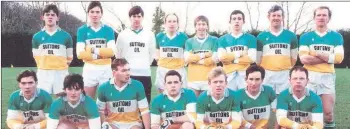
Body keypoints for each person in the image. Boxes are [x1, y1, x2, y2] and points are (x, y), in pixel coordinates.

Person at [298, 6, 344, 129]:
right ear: (314, 18)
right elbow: (304, 59)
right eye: (318, 15)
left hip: (327, 77)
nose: (321, 17)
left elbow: (339, 59)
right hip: (309, 77)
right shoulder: (305, 37)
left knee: (328, 114)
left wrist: (316, 54)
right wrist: (328, 57)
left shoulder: (336, 36)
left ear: (329, 18)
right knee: (307, 113)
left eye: (324, 15)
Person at [76, 1, 116, 99]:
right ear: (88, 13)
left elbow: (111, 52)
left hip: (105, 69)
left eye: (97, 12)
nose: (95, 14)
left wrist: (91, 49)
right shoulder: (82, 30)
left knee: (107, 101)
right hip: (90, 69)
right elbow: (80, 54)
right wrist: (100, 54)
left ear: (101, 14)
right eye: (92, 12)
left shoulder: (108, 30)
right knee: (87, 100)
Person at [116, 5, 156, 103]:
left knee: (144, 104)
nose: (136, 19)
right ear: (130, 18)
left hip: (145, 73)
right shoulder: (123, 35)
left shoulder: (149, 34)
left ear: (142, 17)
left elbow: (152, 54)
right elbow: (118, 55)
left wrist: (144, 64)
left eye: (139, 16)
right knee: (128, 103)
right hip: (128, 74)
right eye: (134, 16)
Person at [97, 58, 150, 129]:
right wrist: (105, 125)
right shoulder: (103, 88)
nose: (128, 73)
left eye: (128, 70)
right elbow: (100, 111)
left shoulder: (138, 85)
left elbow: (144, 111)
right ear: (114, 73)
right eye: (124, 71)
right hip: (112, 123)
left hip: (133, 123)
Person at [32, 4, 73, 96]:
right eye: (47, 14)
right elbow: (36, 56)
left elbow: (70, 57)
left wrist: (60, 66)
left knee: (63, 100)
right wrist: (45, 65)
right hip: (43, 72)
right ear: (42, 17)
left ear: (58, 18)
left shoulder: (66, 36)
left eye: (53, 15)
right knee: (42, 99)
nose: (50, 17)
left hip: (61, 72)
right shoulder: (37, 37)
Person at [256, 5, 298, 95]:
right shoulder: (261, 37)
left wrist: (284, 67)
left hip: (285, 74)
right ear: (268, 17)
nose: (276, 18)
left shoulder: (291, 36)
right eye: (273, 15)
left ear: (283, 17)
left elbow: (294, 58)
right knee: (268, 102)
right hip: (267, 74)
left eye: (279, 15)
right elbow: (257, 60)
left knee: (284, 103)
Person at [218, 10, 257, 91]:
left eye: (239, 19)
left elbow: (252, 58)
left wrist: (232, 60)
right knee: (229, 99)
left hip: (244, 75)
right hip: (228, 75)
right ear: (230, 21)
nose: (236, 21)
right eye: (234, 19)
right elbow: (222, 58)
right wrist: (239, 54)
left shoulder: (251, 38)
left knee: (244, 100)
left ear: (243, 21)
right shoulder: (222, 39)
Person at [154, 13, 189, 93]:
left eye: (174, 21)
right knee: (163, 95)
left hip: (178, 70)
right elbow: (157, 53)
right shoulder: (159, 36)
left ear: (177, 23)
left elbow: (187, 54)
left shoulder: (183, 37)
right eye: (169, 21)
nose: (172, 23)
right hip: (163, 70)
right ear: (165, 23)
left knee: (181, 95)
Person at [185, 15, 218, 97]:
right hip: (193, 80)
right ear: (195, 27)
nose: (201, 27)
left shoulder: (214, 40)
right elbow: (187, 59)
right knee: (193, 106)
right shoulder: (189, 41)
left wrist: (196, 59)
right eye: (198, 24)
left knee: (207, 108)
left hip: (209, 79)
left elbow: (215, 59)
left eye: (203, 24)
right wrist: (204, 55)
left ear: (207, 26)